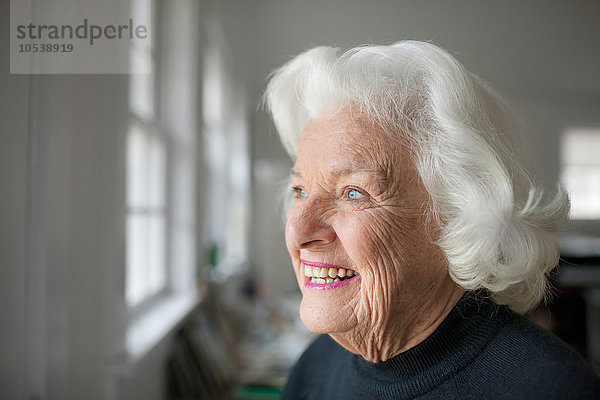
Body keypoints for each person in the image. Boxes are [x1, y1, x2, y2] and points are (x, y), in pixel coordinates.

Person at [263, 41, 600, 399]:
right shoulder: (315, 369)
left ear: (458, 217)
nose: (297, 231)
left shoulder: (547, 389)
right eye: (300, 190)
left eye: (353, 193)